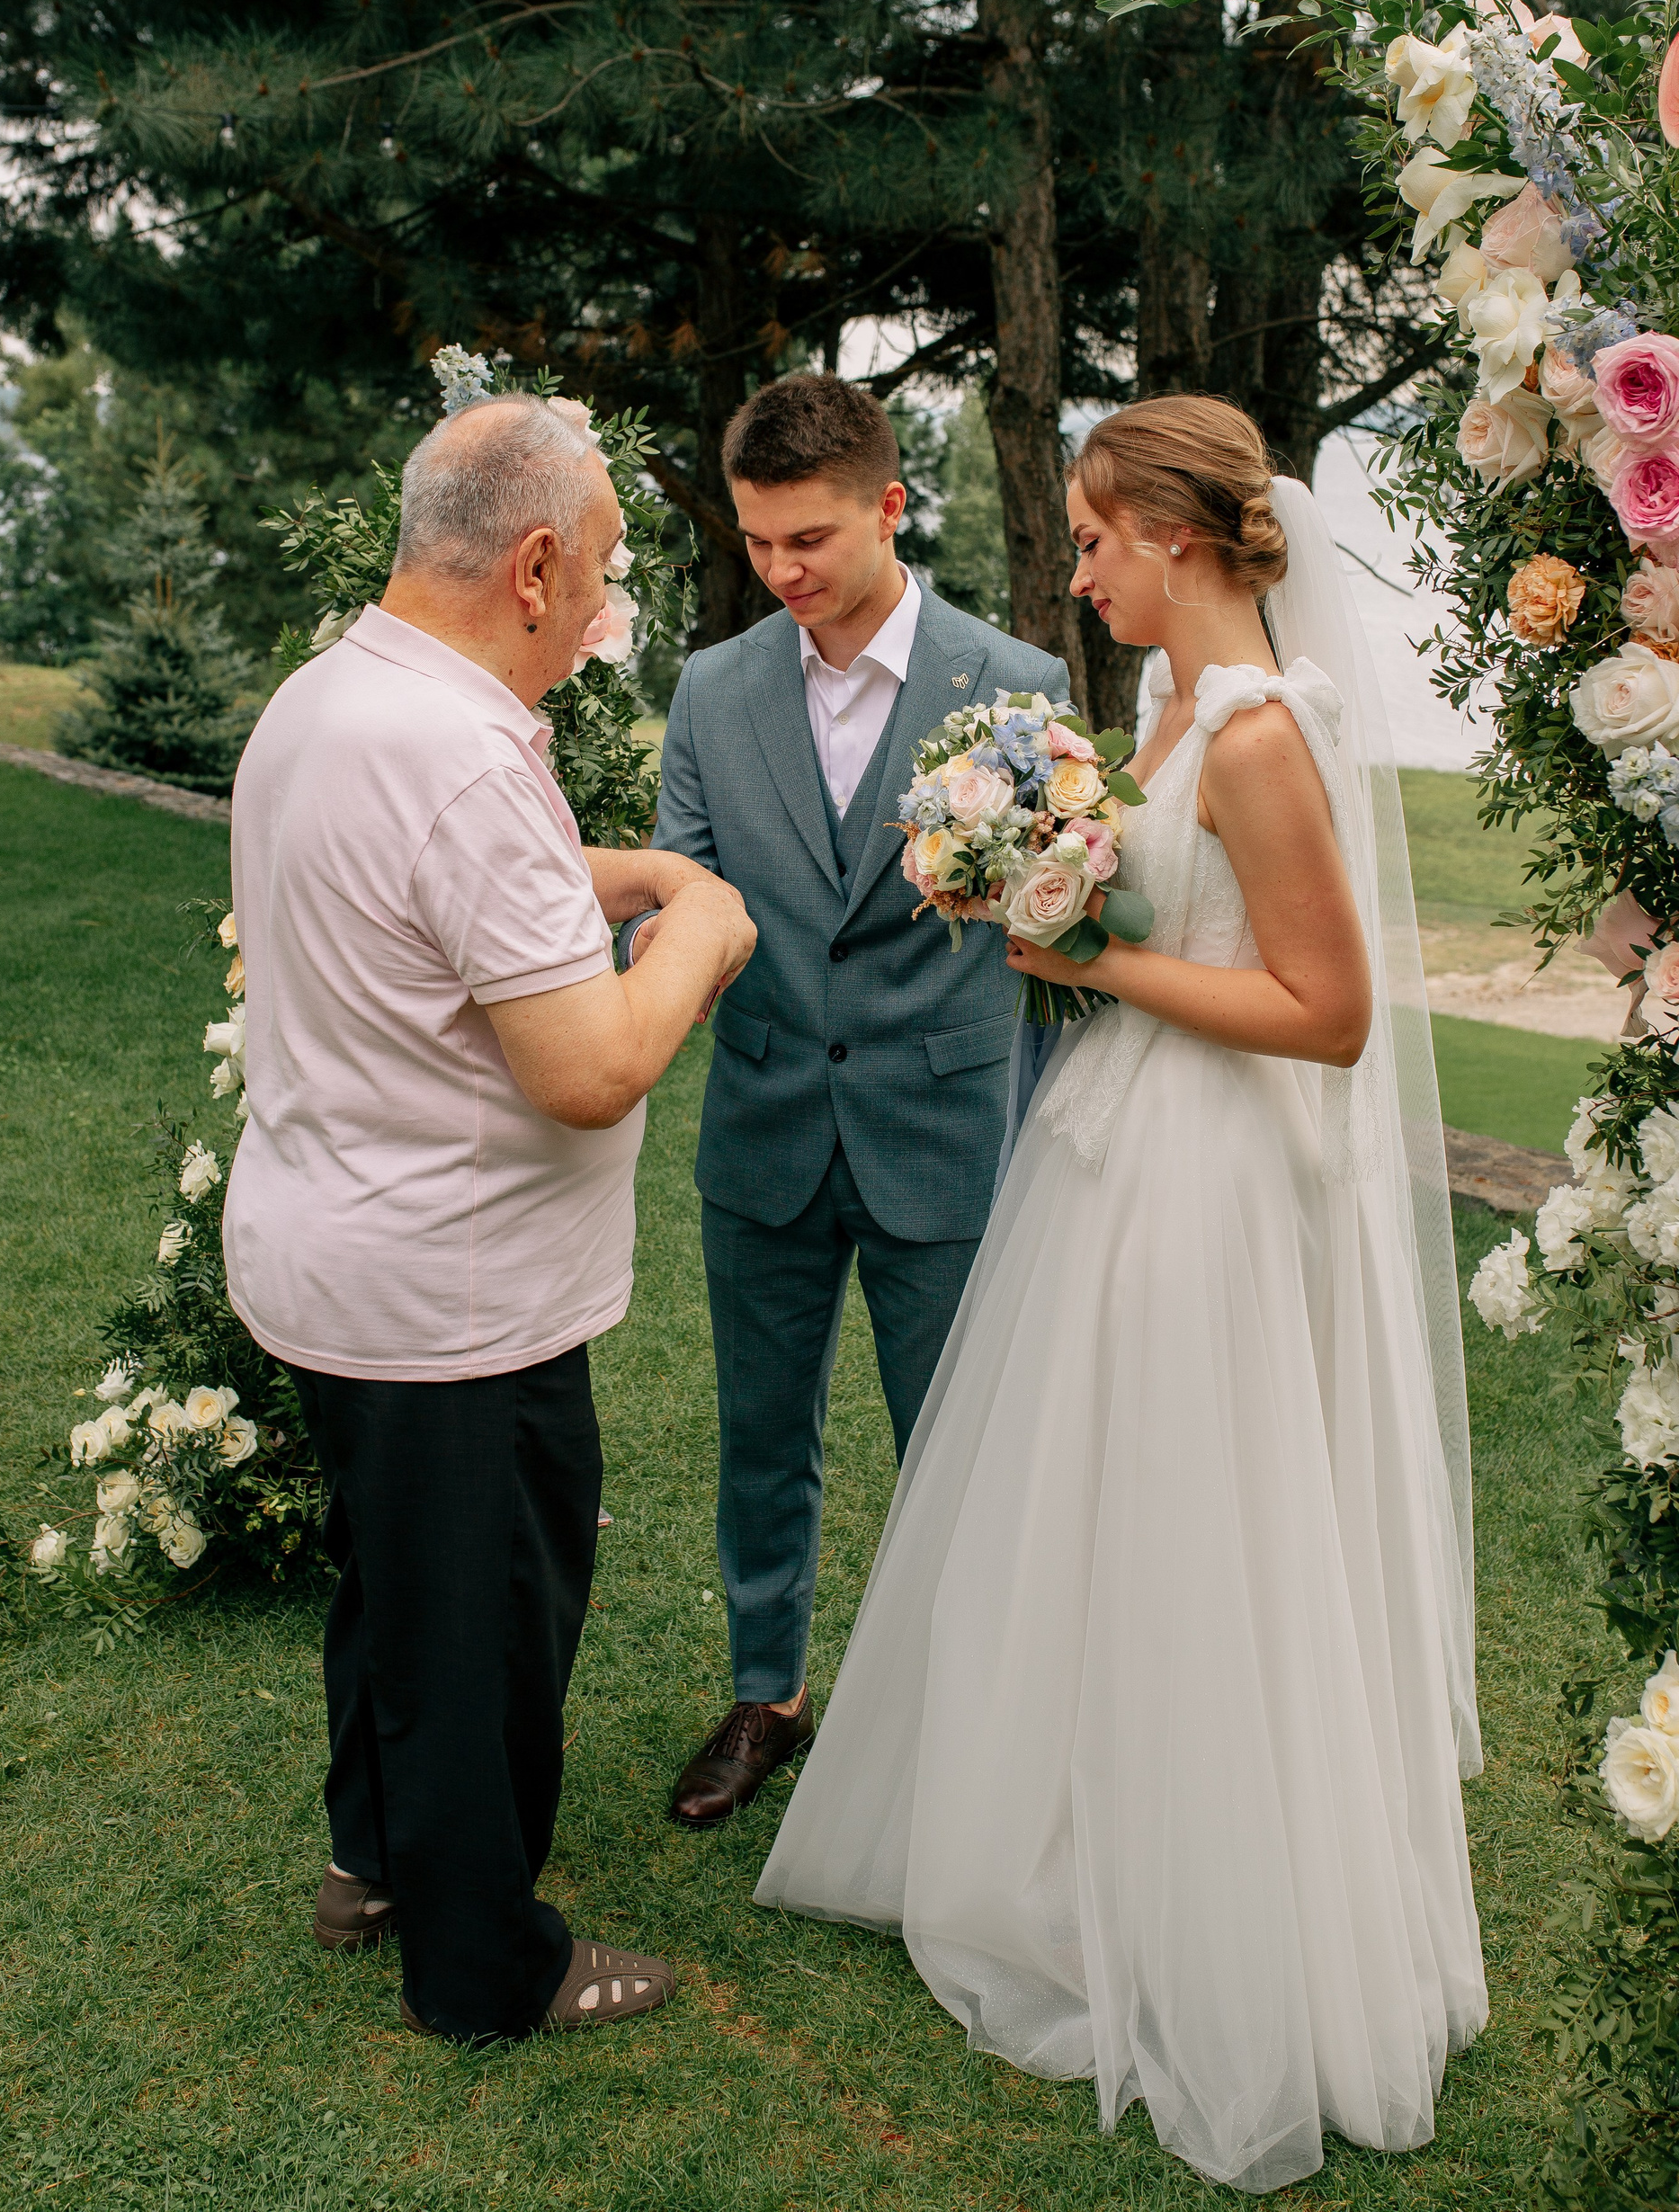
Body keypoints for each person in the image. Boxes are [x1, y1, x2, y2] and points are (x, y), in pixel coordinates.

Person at [755, 395, 1487, 2195]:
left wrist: (1095, 962)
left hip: (1208, 1173)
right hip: (1121, 1146)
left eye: (1093, 540)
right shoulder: (1173, 705)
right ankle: (1097, 1845)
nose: (1077, 573)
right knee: (1104, 1513)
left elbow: (1329, 1016)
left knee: (1195, 1518)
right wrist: (1057, 911)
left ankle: (1223, 1913)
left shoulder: (1257, 732)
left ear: (1173, 534)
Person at [223, 391, 756, 2046]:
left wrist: (629, 875)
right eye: (602, 565)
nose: (606, 599)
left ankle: (371, 1861)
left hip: (337, 1254)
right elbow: (589, 1069)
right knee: (483, 1633)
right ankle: (484, 1967)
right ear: (531, 567)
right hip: (451, 1298)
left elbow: (449, 891)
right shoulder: (455, 752)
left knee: (393, 1590)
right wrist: (702, 928)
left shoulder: (338, 695)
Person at [630, 371, 1068, 1828]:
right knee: (763, 1440)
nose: (782, 570)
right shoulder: (714, 690)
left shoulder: (1014, 684)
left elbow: (1056, 914)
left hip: (944, 1128)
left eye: (808, 537)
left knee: (957, 1446)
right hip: (761, 1124)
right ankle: (768, 1696)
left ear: (889, 505)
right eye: (758, 542)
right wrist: (652, 964)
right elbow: (682, 889)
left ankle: (966, 1722)